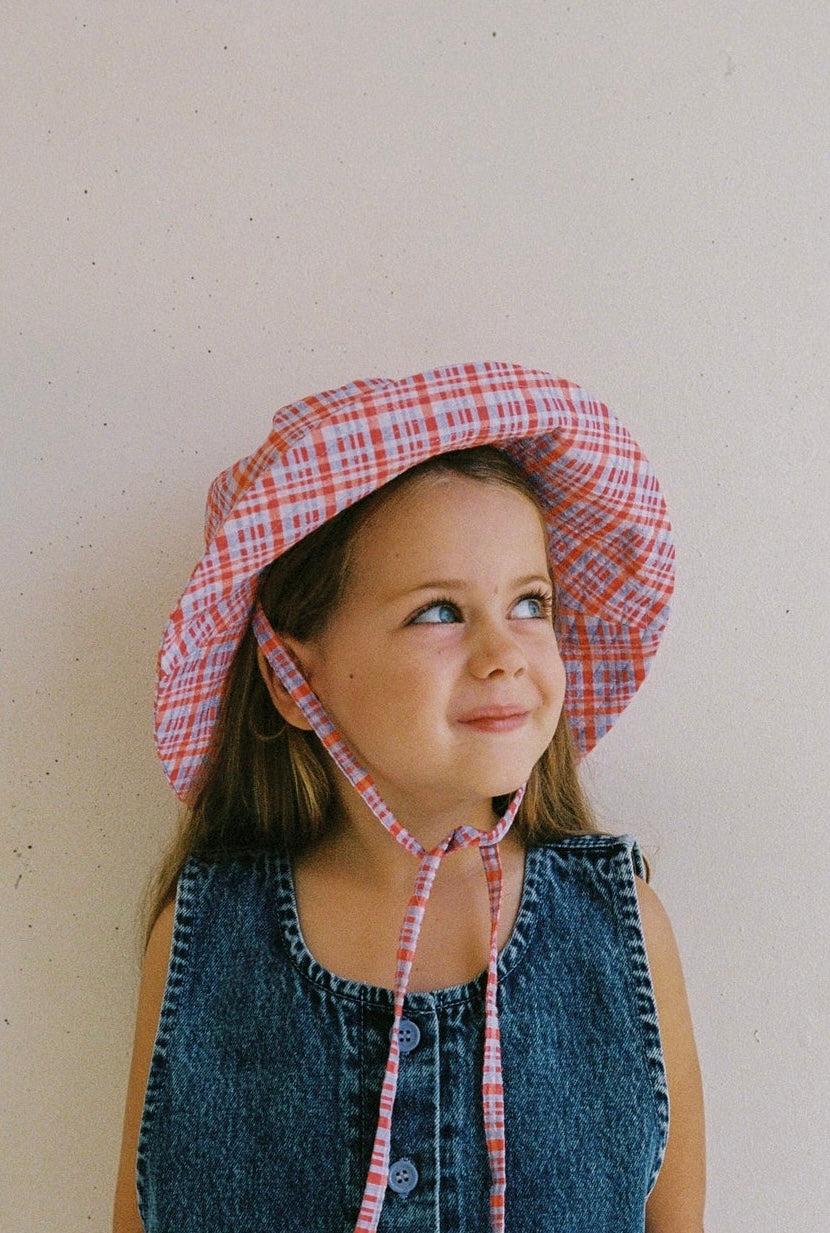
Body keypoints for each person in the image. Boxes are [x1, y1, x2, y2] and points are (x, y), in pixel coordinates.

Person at [113, 362, 705, 1232]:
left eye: (531, 601)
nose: (504, 652)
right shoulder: (207, 936)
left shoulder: (622, 932)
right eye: (438, 611)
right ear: (293, 676)